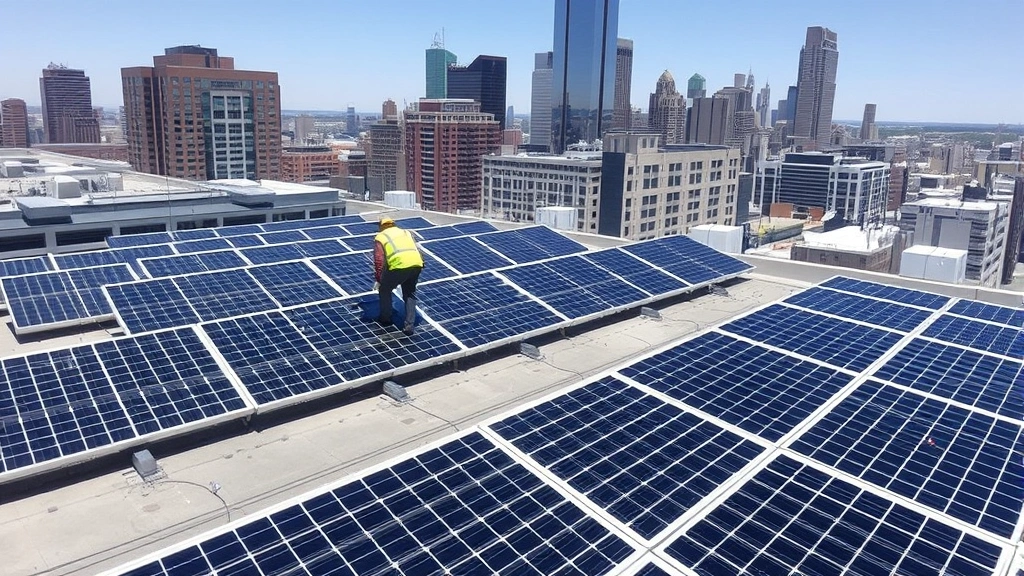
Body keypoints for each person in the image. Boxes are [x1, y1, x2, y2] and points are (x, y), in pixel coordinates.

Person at [373, 217, 424, 335]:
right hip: (416, 264)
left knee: (385, 290)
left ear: (381, 226)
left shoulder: (381, 237)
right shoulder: (406, 232)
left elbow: (379, 261)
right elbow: (417, 249)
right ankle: (409, 326)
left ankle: (386, 319)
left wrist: (379, 279)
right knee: (410, 293)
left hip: (398, 266)